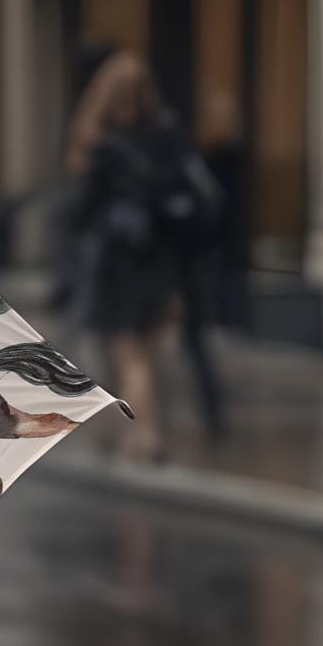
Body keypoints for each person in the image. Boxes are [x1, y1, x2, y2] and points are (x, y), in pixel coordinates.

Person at [66, 49, 206, 463]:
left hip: (119, 264)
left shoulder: (104, 145)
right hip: (161, 262)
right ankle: (141, 430)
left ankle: (144, 436)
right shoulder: (167, 135)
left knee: (129, 354)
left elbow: (82, 209)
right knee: (150, 353)